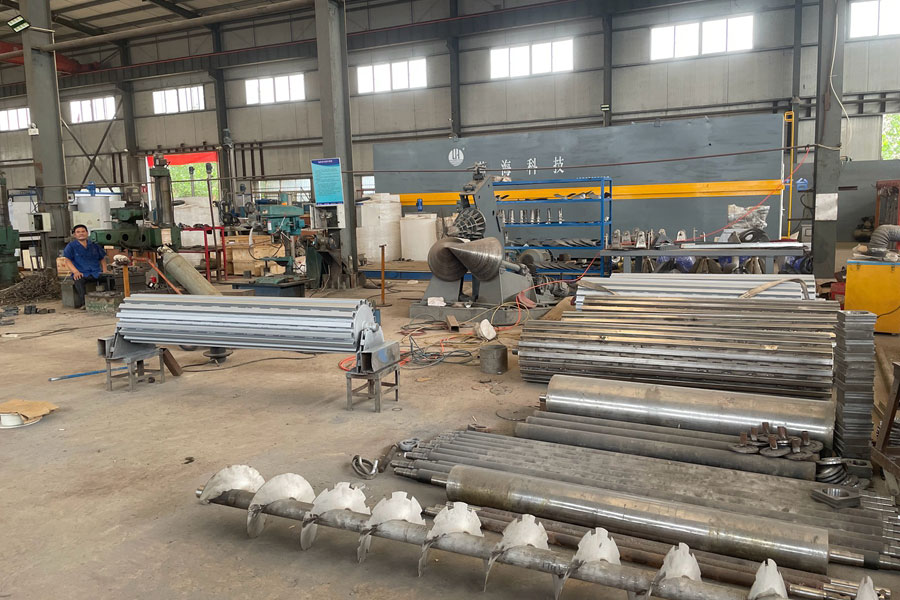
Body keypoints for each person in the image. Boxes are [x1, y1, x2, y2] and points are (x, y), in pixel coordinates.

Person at [63, 224, 114, 308]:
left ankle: (110, 301)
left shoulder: (94, 245)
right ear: (75, 235)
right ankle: (84, 304)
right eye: (78, 232)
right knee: (78, 280)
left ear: (87, 233)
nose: (81, 233)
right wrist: (75, 272)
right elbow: (67, 261)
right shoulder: (71, 246)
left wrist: (105, 270)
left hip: (96, 272)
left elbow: (102, 258)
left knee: (110, 278)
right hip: (82, 273)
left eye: (83, 231)